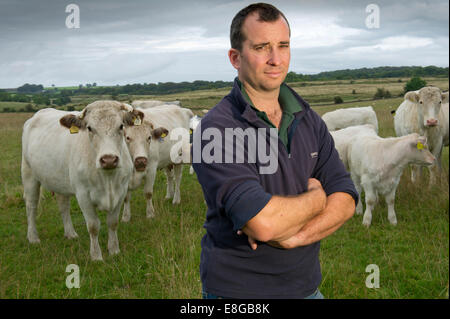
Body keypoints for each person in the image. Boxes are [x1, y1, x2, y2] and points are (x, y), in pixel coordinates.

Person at [192, 2, 358, 299]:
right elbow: (263, 223)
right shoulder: (216, 130)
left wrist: (297, 237)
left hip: (307, 288)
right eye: (261, 47)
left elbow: (345, 198)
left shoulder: (308, 119)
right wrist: (318, 198)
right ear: (235, 57)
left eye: (283, 45)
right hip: (239, 293)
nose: (275, 59)